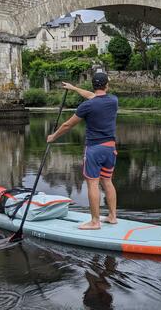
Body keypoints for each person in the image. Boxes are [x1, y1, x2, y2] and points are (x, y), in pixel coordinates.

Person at [47, 73, 118, 229]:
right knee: (107, 181)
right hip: (110, 148)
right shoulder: (113, 101)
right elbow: (93, 96)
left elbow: (67, 125)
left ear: (93, 85)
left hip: (94, 150)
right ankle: (112, 216)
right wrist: (73, 88)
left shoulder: (87, 106)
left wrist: (53, 136)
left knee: (93, 183)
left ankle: (95, 222)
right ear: (107, 86)